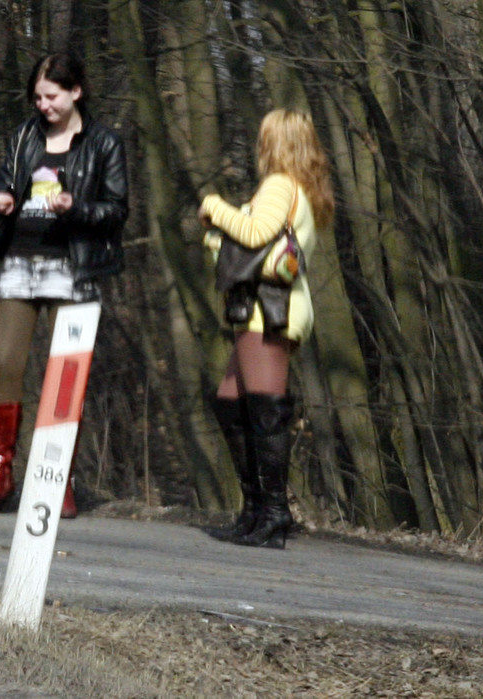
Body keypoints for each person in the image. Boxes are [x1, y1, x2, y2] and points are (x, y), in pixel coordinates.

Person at [0, 53, 129, 516]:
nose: (43, 105)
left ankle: (58, 482)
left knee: (65, 377)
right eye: (37, 97)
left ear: (76, 92)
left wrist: (74, 208)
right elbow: (6, 177)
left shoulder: (104, 143)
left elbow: (116, 210)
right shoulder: (23, 136)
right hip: (20, 263)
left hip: (74, 269)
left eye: (51, 96)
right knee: (7, 365)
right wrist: (2, 196)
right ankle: (0, 477)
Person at [198, 109, 334, 548]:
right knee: (230, 403)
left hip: (270, 310)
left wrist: (215, 207)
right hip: (271, 308)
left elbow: (257, 233)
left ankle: (273, 513)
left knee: (265, 410)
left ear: (274, 143)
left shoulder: (280, 185)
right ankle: (256, 508)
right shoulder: (303, 189)